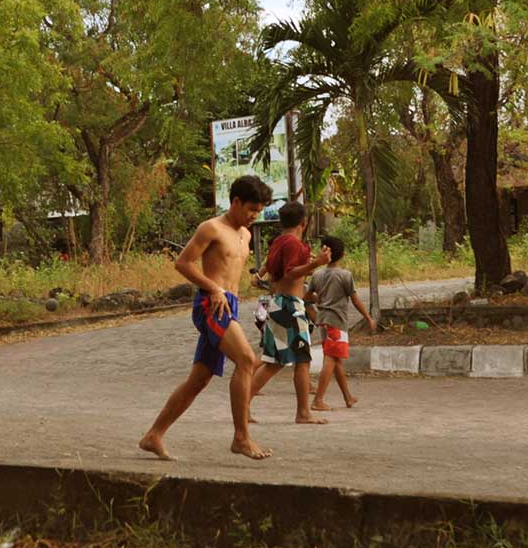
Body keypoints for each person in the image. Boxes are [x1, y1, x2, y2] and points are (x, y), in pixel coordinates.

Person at [138, 175, 274, 461]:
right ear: (235, 201)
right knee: (247, 360)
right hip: (210, 305)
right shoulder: (211, 228)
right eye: (251, 209)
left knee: (199, 379)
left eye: (258, 211)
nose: (253, 216)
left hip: (230, 305)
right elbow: (183, 263)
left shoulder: (246, 234)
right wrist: (213, 288)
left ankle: (153, 435)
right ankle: (241, 437)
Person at [250, 201, 331, 424]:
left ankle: (244, 402)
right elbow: (291, 273)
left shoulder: (279, 242)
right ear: (303, 223)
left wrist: (259, 275)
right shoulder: (293, 244)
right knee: (298, 359)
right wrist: (317, 263)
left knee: (277, 361)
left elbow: (272, 267)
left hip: (280, 304)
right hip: (290, 307)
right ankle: (303, 412)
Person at [305, 236, 376, 411]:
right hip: (337, 321)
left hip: (323, 320)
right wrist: (368, 317)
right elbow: (355, 299)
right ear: (342, 254)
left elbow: (307, 296)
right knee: (331, 358)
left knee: (335, 360)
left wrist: (320, 299)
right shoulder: (345, 275)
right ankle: (318, 400)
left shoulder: (317, 274)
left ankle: (347, 397)